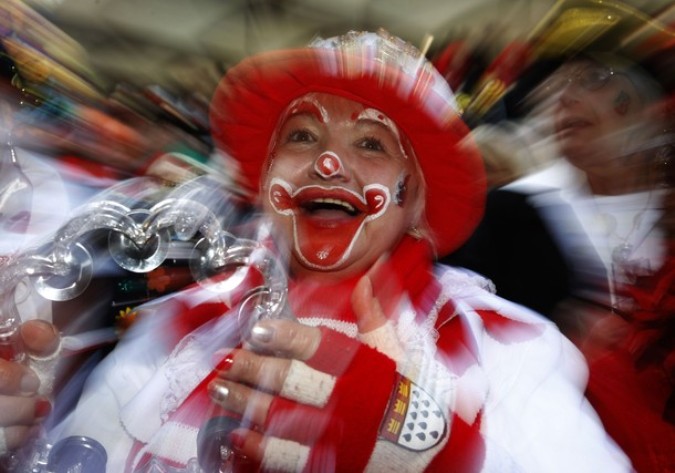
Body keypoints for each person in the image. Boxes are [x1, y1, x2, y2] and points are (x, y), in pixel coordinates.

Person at [1, 30, 630, 472]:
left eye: (372, 146)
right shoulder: (180, 325)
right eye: (302, 136)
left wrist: (439, 458)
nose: (328, 163)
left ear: (417, 205)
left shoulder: (506, 349)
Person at [443, 51, 675, 472]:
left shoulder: (668, 211)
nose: (564, 98)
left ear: (651, 107)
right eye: (558, 87)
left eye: (594, 80)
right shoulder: (506, 217)